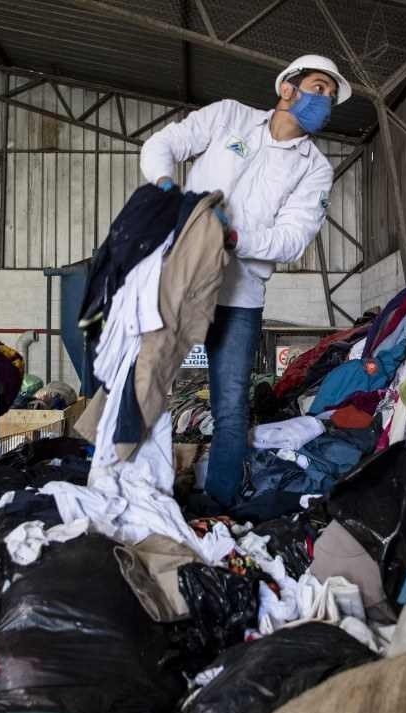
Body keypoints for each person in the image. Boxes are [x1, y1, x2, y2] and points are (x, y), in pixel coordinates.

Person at [140, 54, 351, 508]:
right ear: (288, 88)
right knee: (145, 387)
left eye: (331, 97)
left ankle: (217, 508)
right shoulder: (228, 117)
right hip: (181, 279)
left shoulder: (314, 168)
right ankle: (140, 493)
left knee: (231, 408)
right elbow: (162, 144)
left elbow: (292, 239)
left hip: (241, 297)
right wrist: (166, 189)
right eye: (318, 87)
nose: (325, 101)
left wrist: (230, 236)